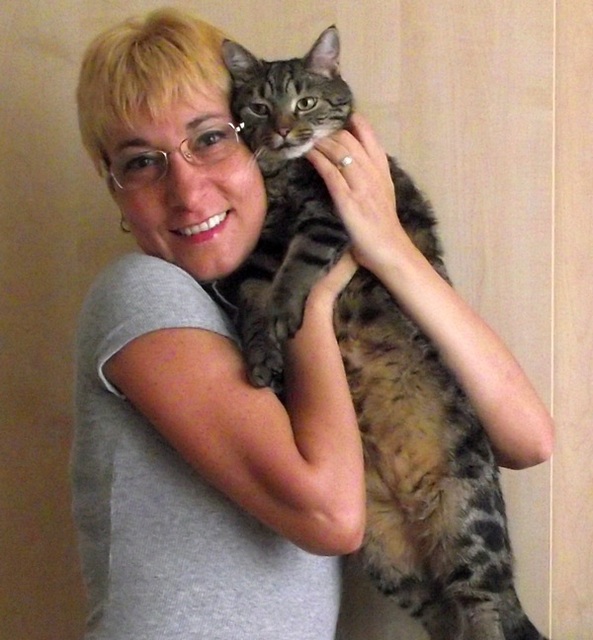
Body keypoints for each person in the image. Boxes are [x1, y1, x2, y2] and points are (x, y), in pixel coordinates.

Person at [72, 7, 554, 639]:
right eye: (142, 162)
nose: (187, 192)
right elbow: (333, 517)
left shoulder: (237, 304)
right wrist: (316, 298)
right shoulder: (144, 293)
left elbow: (529, 440)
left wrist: (387, 244)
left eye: (210, 139)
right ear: (114, 189)